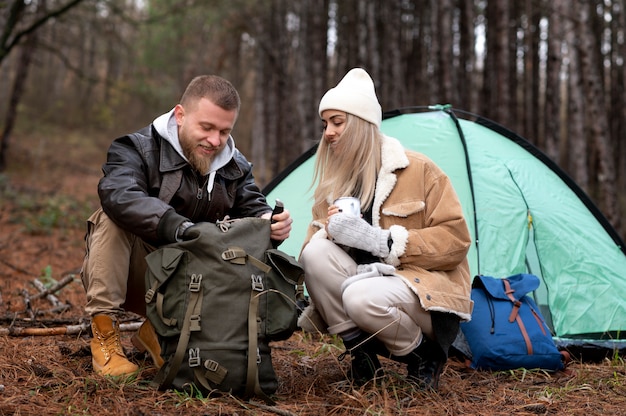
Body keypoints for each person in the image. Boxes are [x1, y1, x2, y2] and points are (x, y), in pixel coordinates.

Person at [81, 75, 292, 377]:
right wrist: (178, 227)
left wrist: (270, 224)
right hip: (138, 274)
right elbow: (119, 194)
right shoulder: (136, 148)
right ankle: (105, 339)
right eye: (206, 128)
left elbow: (254, 207)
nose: (215, 141)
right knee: (109, 218)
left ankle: (158, 332)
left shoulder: (236, 166)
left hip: (193, 289)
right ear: (180, 115)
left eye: (224, 131)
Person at [298, 68, 472, 390]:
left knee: (359, 295)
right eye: (325, 125)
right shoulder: (334, 185)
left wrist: (379, 241)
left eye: (338, 122)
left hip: (425, 297)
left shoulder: (419, 171)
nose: (328, 133)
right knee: (316, 254)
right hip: (366, 294)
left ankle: (426, 358)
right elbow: (312, 257)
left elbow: (456, 242)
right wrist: (332, 233)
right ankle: (363, 358)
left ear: (363, 125)